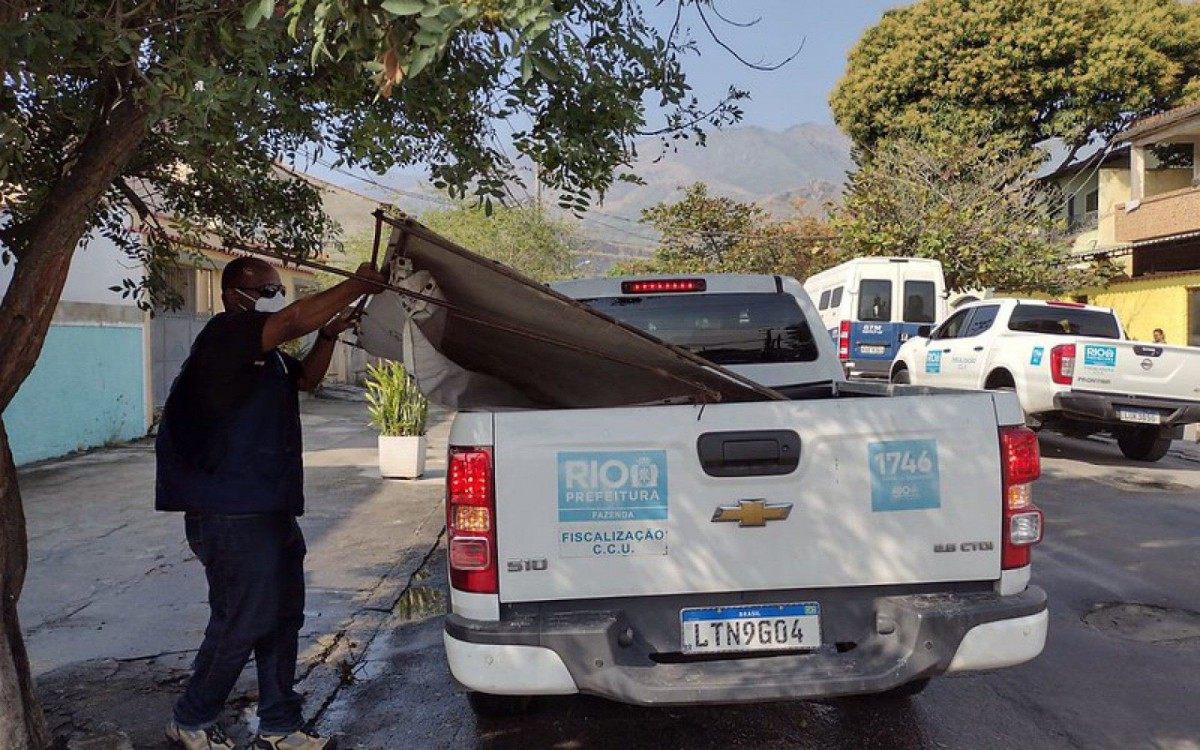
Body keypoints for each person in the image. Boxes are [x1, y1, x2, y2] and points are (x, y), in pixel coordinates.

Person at [157, 256, 385, 750]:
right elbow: (292, 320)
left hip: (268, 507)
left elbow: (307, 381)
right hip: (230, 511)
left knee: (281, 616)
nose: (276, 299)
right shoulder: (227, 333)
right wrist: (356, 285)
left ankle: (280, 726)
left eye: (279, 291)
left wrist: (328, 336)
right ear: (234, 292)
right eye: (267, 290)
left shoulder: (270, 357)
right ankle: (191, 718)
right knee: (243, 618)